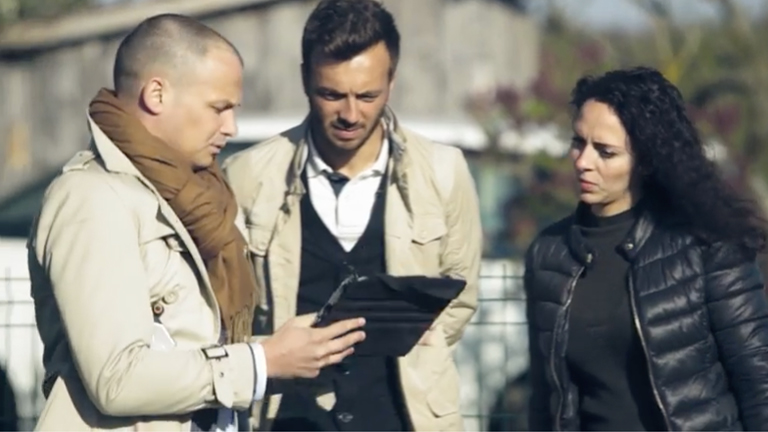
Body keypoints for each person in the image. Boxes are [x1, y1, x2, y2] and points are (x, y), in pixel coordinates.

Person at [27, 13, 365, 431]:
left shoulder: (197, 198)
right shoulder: (92, 198)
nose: (231, 127)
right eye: (218, 108)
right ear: (156, 94)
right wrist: (262, 361)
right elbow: (117, 379)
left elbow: (189, 352)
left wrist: (285, 353)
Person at [222, 0, 482, 430]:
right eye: (331, 94)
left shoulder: (443, 172)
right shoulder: (248, 176)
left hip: (403, 419)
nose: (350, 114)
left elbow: (459, 298)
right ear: (305, 77)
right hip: (286, 419)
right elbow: (232, 315)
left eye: (367, 95)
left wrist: (415, 357)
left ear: (391, 82)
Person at [524, 66, 768, 431]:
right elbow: (547, 398)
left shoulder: (708, 245)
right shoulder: (549, 254)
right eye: (578, 142)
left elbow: (758, 383)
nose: (583, 162)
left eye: (605, 152)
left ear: (647, 160)